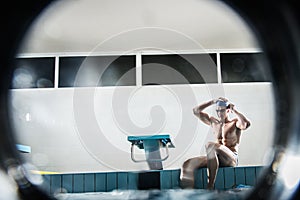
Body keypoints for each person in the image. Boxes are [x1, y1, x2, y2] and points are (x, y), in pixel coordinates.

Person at [180, 97, 251, 189]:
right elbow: (196, 111)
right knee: (187, 164)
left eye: (222, 111)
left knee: (210, 145)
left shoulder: (234, 123)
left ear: (228, 111)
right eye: (217, 111)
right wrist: (212, 101)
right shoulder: (213, 122)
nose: (219, 113)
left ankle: (210, 186)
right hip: (216, 158)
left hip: (231, 158)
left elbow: (246, 124)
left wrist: (234, 110)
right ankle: (188, 194)